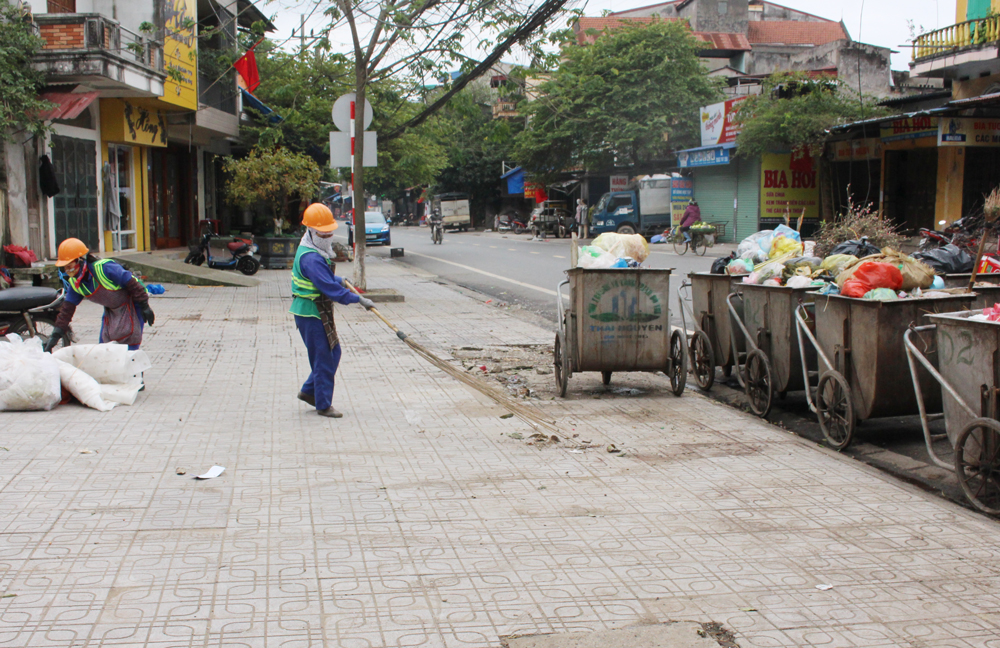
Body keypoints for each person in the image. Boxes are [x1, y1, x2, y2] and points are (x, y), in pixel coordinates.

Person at [291, 203, 375, 418]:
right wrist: (358, 299)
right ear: (311, 231)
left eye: (330, 233)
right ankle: (323, 404)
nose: (327, 237)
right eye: (323, 234)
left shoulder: (311, 250)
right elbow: (330, 290)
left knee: (332, 353)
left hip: (316, 311)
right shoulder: (311, 257)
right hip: (310, 311)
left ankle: (310, 391)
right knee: (324, 357)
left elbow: (327, 280)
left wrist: (339, 279)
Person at [44, 238, 154, 352]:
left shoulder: (104, 268)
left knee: (129, 351)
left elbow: (132, 282)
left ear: (81, 260)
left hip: (132, 305)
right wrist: (55, 335)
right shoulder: (76, 283)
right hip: (112, 311)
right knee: (105, 349)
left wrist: (144, 305)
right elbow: (67, 310)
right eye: (64, 267)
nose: (67, 270)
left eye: (69, 265)